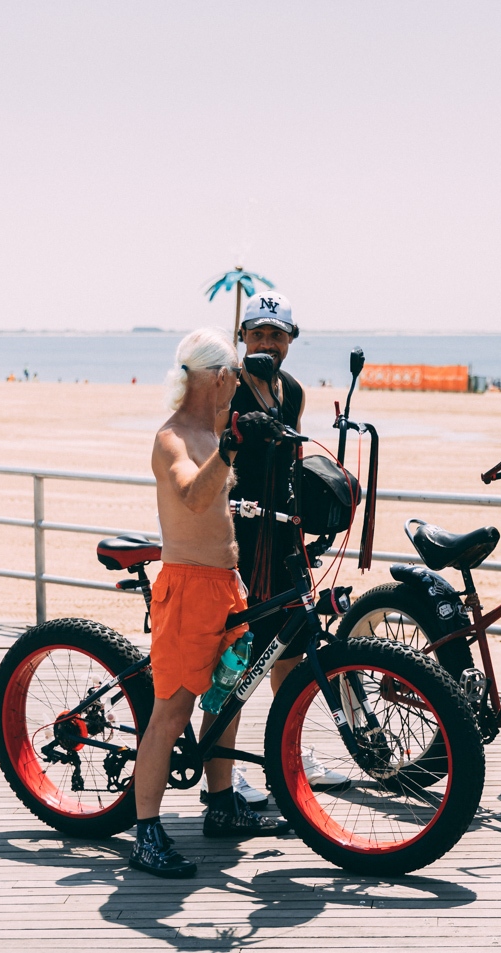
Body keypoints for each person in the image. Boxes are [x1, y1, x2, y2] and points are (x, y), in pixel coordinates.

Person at [131, 328, 288, 879]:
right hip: (188, 588)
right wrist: (229, 448)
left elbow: (256, 424)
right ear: (221, 377)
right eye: (232, 378)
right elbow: (194, 496)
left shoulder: (216, 426)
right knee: (171, 712)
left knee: (226, 700)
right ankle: (145, 834)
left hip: (226, 585)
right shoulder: (173, 437)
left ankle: (221, 806)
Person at [223, 291, 348, 806]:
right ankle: (222, 770)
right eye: (258, 333)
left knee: (290, 650)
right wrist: (234, 437)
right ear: (242, 337)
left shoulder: (291, 390)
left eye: (278, 334)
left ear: (291, 341)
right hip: (234, 534)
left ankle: (288, 752)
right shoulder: (225, 385)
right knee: (231, 651)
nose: (267, 343)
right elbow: (207, 446)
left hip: (282, 533)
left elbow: (293, 458)